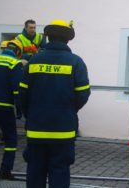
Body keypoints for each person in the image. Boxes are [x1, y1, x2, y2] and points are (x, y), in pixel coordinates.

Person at [19, 20, 90, 188]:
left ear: (48, 37)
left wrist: (32, 113)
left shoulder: (34, 61)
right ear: (68, 39)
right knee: (60, 174)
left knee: (35, 173)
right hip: (63, 132)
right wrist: (69, 109)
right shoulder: (76, 62)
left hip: (36, 130)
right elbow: (83, 94)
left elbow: (22, 95)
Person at [0, 40, 23, 180]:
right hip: (4, 108)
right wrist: (20, 110)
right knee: (11, 140)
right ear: (18, 52)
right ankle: (5, 171)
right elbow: (17, 90)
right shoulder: (15, 63)